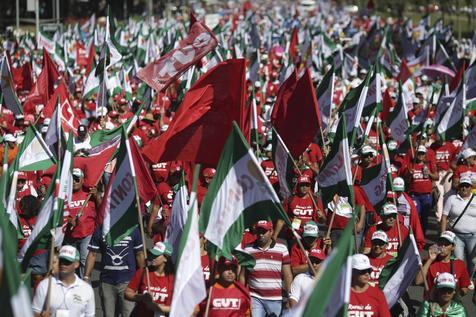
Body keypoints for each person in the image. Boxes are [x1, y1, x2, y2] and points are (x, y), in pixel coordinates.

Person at [84, 227, 145, 317]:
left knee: (129, 314)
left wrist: (143, 278)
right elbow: (92, 254)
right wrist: (86, 277)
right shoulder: (100, 230)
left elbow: (139, 254)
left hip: (128, 282)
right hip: (106, 282)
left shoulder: (133, 229)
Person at [240, 220, 293, 317]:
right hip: (255, 297)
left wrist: (290, 295)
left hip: (275, 298)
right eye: (259, 231)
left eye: (264, 231)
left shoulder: (282, 249)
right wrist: (240, 295)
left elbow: (287, 274)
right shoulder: (248, 249)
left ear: (271, 231)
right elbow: (243, 275)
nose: (261, 234)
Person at [32, 245, 95, 317]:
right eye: (61, 261)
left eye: (67, 262)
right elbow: (34, 312)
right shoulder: (45, 285)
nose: (63, 265)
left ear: (76, 264)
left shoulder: (86, 289)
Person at [64, 167, 101, 277]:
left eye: (77, 179)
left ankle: (84, 287)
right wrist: (68, 220)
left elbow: (102, 210)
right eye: (72, 179)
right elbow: (59, 215)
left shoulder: (90, 194)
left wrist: (97, 197)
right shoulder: (65, 194)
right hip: (69, 236)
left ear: (83, 180)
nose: (74, 182)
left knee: (84, 262)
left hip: (87, 234)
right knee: (70, 262)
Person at [125, 241, 175, 317]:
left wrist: (158, 308)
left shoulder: (173, 278)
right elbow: (127, 293)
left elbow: (180, 307)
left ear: (166, 258)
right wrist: (141, 297)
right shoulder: (143, 272)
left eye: (156, 255)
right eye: (152, 254)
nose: (152, 257)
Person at [416, 231, 471, 298]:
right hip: (431, 303)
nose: (442, 247)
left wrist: (453, 294)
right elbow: (418, 281)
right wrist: (430, 260)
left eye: (446, 244)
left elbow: (465, 289)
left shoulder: (459, 264)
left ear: (453, 247)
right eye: (440, 243)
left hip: (450, 305)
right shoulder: (429, 261)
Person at [441, 176, 476, 273]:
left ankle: (468, 280)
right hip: (456, 236)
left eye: (467, 186)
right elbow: (444, 217)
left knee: (473, 261)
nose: (464, 188)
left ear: (471, 187)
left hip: (473, 236)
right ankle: (459, 282)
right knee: (458, 261)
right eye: (462, 186)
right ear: (458, 187)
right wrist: (443, 235)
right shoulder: (451, 199)